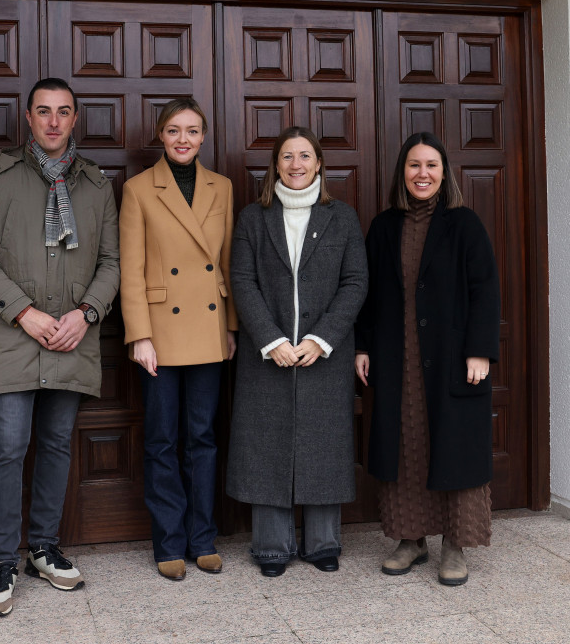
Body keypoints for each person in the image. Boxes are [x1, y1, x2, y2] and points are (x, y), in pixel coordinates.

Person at [0, 77, 120, 617]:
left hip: (73, 338)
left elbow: (111, 262)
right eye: (43, 112)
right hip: (14, 337)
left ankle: (43, 547)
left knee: (56, 445)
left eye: (63, 112)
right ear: (27, 118)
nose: (53, 121)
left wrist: (87, 314)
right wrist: (25, 313)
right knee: (8, 445)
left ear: (75, 119)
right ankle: (2, 560)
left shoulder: (98, 186)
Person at [354, 131, 501, 587]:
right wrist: (362, 346)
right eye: (414, 165)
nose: (423, 174)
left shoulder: (464, 224)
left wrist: (480, 350)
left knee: (452, 447)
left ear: (444, 172)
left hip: (452, 359)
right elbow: (369, 293)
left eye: (431, 165)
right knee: (406, 447)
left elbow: (485, 290)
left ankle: (454, 546)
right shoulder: (382, 226)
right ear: (403, 172)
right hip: (398, 358)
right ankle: (410, 539)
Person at [226, 126, 368, 576]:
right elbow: (242, 281)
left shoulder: (342, 218)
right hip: (266, 354)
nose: (296, 165)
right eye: (287, 156)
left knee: (323, 444)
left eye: (305, 156)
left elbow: (355, 283)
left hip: (323, 354)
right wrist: (270, 340)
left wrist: (320, 339)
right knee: (267, 444)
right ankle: (271, 547)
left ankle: (323, 544)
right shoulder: (253, 217)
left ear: (320, 163)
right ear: (276, 165)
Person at [119, 98, 238, 581]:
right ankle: (169, 542)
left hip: (208, 328)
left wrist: (230, 326)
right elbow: (131, 268)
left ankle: (203, 538)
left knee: (204, 439)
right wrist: (139, 336)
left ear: (204, 136)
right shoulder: (138, 189)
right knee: (163, 439)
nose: (183, 139)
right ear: (160, 136)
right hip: (160, 332)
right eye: (174, 131)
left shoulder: (223, 187)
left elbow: (229, 261)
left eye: (192, 130)